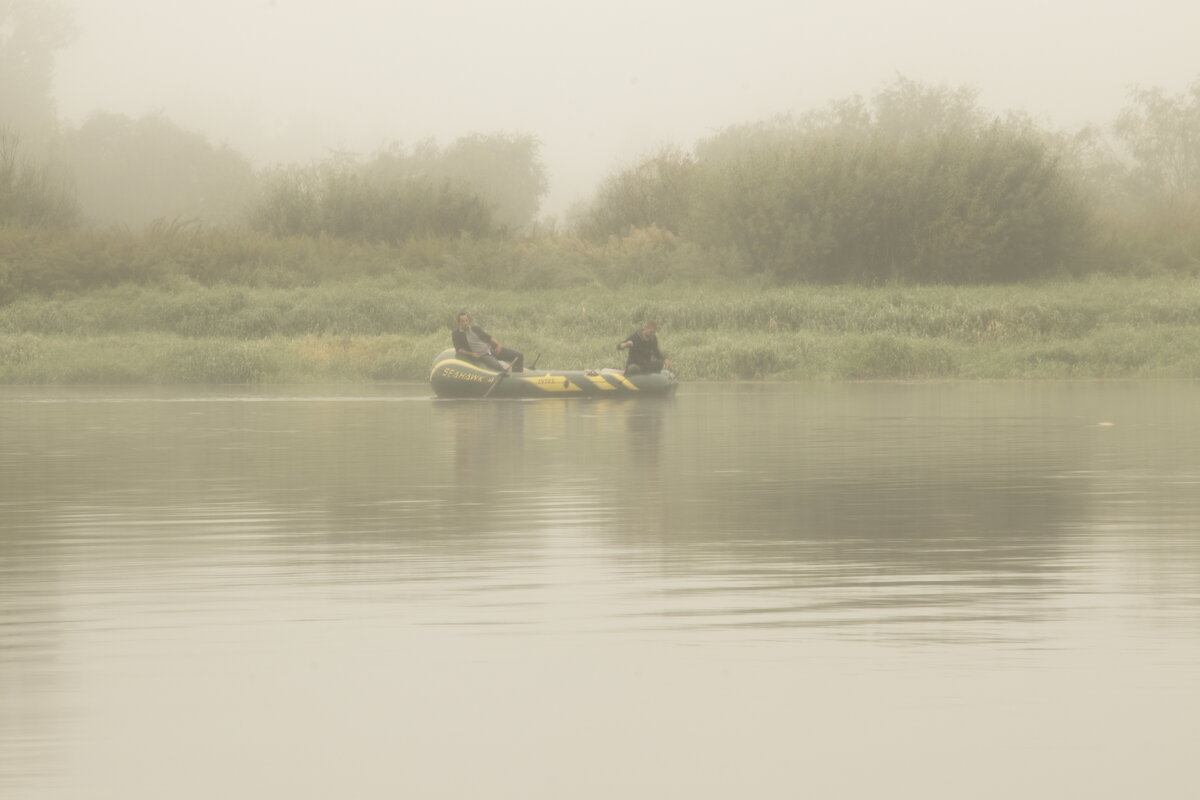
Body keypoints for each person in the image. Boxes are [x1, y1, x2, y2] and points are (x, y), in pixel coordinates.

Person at [453, 311, 524, 372]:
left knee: (519, 355)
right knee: (498, 367)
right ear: (459, 322)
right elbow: (458, 349)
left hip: (492, 349)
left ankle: (518, 376)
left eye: (466, 320)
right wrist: (472, 354)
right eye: (463, 321)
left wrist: (498, 345)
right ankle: (509, 380)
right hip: (483, 355)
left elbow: (489, 338)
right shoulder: (456, 334)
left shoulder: (475, 329)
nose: (465, 323)